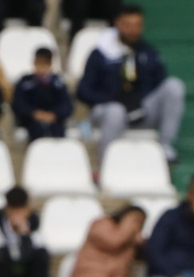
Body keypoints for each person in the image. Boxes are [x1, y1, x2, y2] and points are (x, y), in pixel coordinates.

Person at [77, 5, 186, 162]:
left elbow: (160, 83)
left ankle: (165, 145)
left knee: (174, 86)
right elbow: (83, 90)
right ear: (118, 24)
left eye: (137, 25)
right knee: (116, 111)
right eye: (128, 25)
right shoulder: (100, 54)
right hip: (108, 109)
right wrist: (110, 98)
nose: (133, 30)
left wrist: (137, 103)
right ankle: (107, 163)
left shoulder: (148, 52)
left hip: (140, 109)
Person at [64, 206, 146, 277]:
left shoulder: (130, 237)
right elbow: (114, 242)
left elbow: (146, 257)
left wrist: (140, 243)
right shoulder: (101, 225)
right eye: (135, 221)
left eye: (140, 223)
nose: (137, 226)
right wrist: (130, 227)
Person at [0, 187, 52, 277]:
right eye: (13, 208)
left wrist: (25, 236)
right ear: (6, 209)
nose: (17, 213)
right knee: (1, 254)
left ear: (28, 210)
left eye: (21, 208)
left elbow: (44, 258)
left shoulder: (36, 231)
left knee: (40, 254)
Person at [12, 46, 72, 141]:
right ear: (34, 63)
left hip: (54, 122)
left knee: (58, 133)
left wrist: (54, 114)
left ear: (50, 64)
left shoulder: (58, 83)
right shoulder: (25, 82)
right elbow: (18, 104)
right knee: (36, 132)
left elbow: (67, 105)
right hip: (32, 122)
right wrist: (33, 113)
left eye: (44, 63)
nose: (40, 67)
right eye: (38, 63)